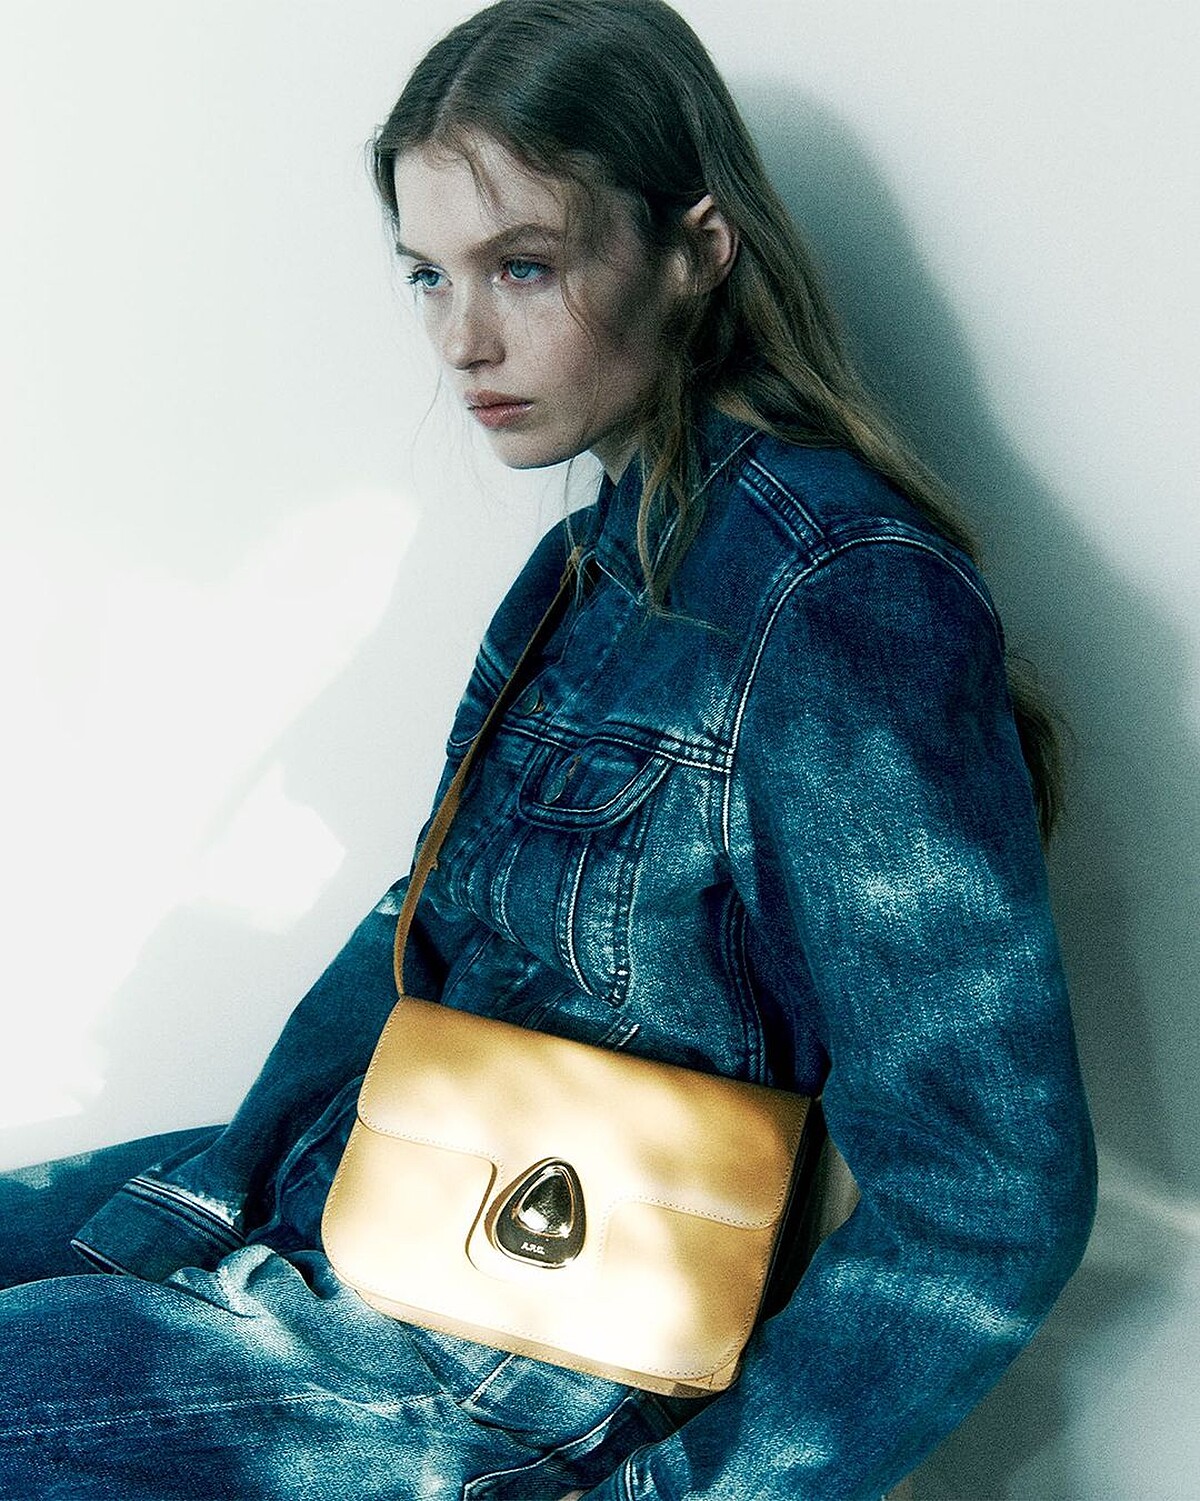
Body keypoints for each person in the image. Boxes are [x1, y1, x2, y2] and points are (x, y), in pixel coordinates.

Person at [0, 1, 1096, 1496]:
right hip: (367, 1200)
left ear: (695, 248)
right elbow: (429, 932)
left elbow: (988, 1194)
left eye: (522, 266)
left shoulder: (839, 596)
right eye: (428, 274)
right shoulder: (591, 562)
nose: (462, 340)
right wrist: (200, 1209)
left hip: (508, 1343)